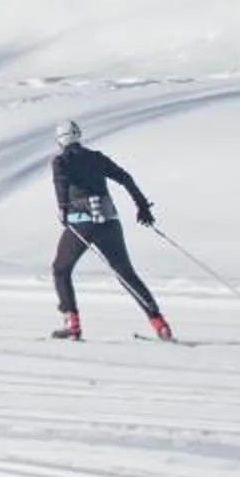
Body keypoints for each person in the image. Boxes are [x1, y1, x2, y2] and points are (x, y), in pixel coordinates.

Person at [48, 118, 170, 341]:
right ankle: (159, 323)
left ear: (59, 141)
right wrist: (142, 207)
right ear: (78, 135)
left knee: (61, 269)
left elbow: (61, 184)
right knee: (125, 274)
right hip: (109, 221)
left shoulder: (60, 161)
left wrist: (63, 211)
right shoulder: (96, 157)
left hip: (81, 223)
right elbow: (125, 178)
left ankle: (72, 323)